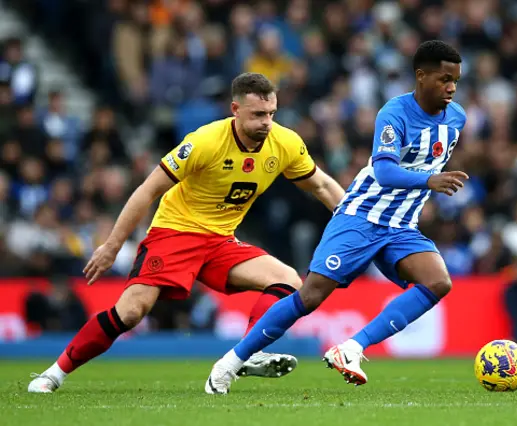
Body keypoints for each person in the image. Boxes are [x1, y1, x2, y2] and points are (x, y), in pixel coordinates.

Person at [28, 73, 345, 393]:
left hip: (221, 241)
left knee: (288, 280)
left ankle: (247, 354)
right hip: (175, 233)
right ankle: (54, 373)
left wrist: (357, 219)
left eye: (271, 114)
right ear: (235, 109)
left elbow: (320, 183)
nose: (267, 123)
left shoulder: (285, 142)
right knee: (131, 312)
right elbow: (146, 191)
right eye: (258, 115)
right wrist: (111, 246)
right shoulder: (205, 141)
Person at [207, 40, 469, 394]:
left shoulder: (457, 118)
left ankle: (351, 348)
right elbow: (386, 172)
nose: (451, 87)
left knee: (438, 282)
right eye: (444, 79)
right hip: (361, 216)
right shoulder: (394, 113)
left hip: (401, 226)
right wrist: (429, 180)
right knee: (310, 295)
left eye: (455, 80)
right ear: (421, 76)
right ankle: (229, 364)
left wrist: (428, 184)